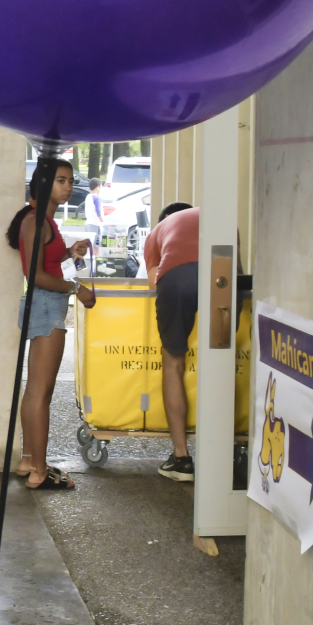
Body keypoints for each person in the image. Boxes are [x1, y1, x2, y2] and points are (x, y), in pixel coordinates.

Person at [5, 157, 95, 491]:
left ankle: (30, 460)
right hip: (46, 307)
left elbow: (45, 262)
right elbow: (36, 275)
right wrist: (78, 289)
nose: (68, 187)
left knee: (35, 391)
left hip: (44, 307)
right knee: (41, 394)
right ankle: (40, 472)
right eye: (61, 180)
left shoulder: (42, 220)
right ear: (44, 184)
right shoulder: (36, 221)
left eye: (70, 180)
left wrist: (69, 252)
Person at [141, 201, 200, 483]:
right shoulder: (212, 213)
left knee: (173, 363)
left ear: (165, 220)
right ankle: (224, 452)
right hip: (223, 272)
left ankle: (182, 459)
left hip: (177, 278)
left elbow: (154, 282)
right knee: (225, 357)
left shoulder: (156, 232)